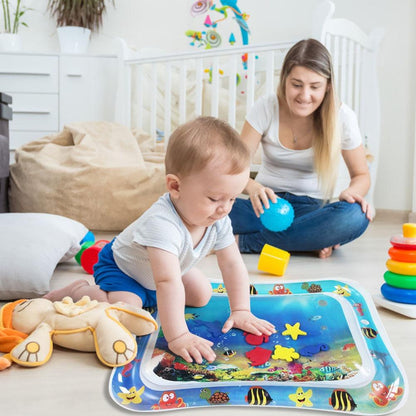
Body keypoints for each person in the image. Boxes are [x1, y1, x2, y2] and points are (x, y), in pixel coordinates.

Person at [44, 116, 275, 364]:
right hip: (124, 271)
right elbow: (166, 281)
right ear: (175, 186)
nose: (224, 209)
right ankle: (82, 289)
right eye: (215, 198)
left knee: (202, 294)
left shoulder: (217, 219)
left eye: (231, 199)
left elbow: (231, 264)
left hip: (166, 271)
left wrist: (241, 310)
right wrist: (178, 337)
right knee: (126, 311)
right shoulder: (162, 224)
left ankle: (147, 297)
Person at [229, 38, 372, 259]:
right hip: (265, 206)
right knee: (209, 208)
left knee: (355, 216)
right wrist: (253, 186)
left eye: (314, 87)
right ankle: (305, 241)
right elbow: (234, 168)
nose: (304, 96)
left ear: (327, 87)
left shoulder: (342, 117)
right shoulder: (266, 107)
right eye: (296, 84)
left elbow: (362, 175)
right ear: (284, 80)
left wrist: (352, 193)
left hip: (311, 211)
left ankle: (244, 242)